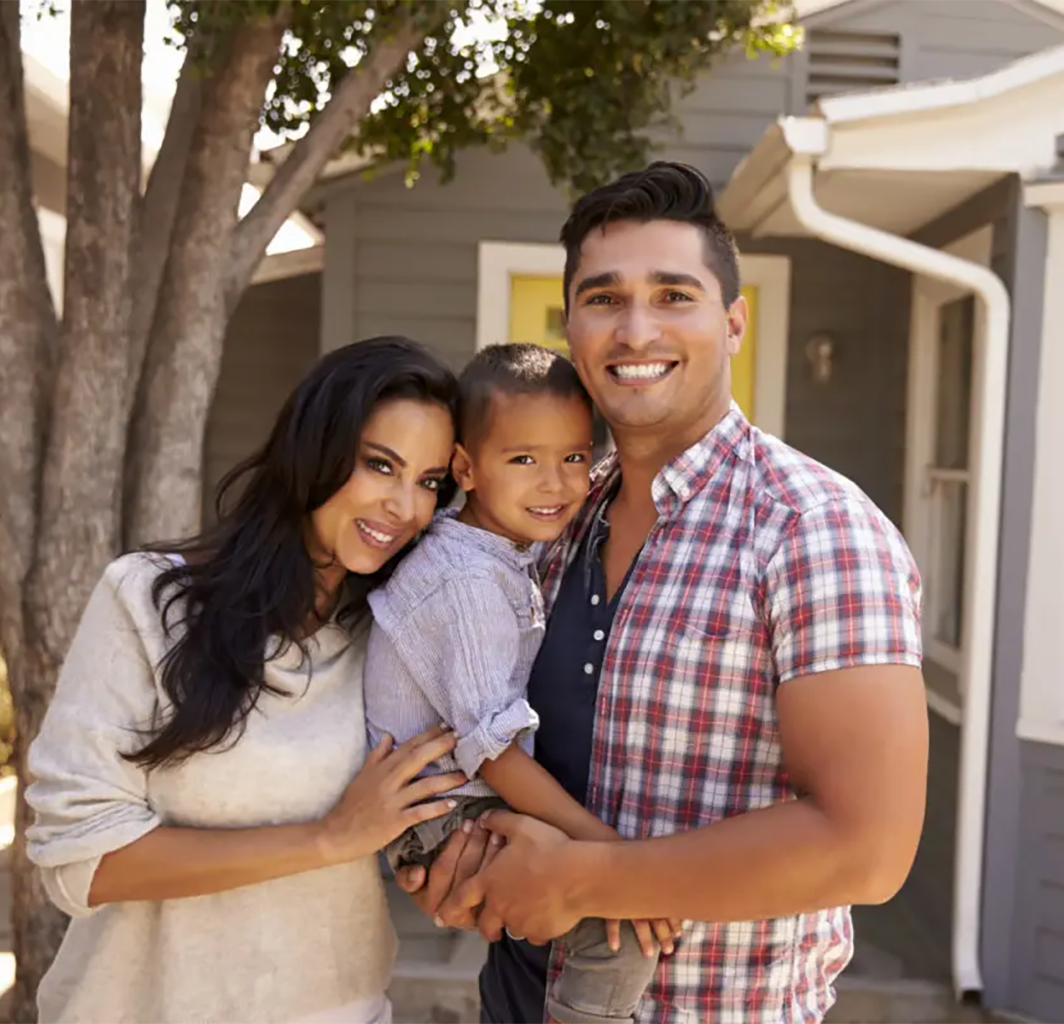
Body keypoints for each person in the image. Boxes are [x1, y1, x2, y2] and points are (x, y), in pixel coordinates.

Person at [399, 162, 930, 1022]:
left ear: (733, 324)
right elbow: (455, 702)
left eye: (673, 295)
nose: (635, 329)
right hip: (514, 996)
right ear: (571, 327)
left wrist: (586, 880)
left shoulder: (812, 529)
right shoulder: (554, 514)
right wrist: (453, 864)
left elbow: (866, 848)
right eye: (604, 299)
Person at [25, 336, 471, 1024]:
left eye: (430, 481)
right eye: (380, 465)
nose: (405, 506)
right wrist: (328, 839)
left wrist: (428, 861)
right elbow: (78, 861)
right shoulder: (148, 602)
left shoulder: (392, 637)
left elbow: (406, 816)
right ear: (314, 449)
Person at [363, 342, 674, 1024]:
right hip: (442, 815)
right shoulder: (467, 581)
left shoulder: (502, 550)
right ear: (468, 469)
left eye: (573, 457)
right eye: (524, 459)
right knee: (613, 924)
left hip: (462, 795)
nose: (556, 483)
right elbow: (495, 751)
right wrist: (609, 856)